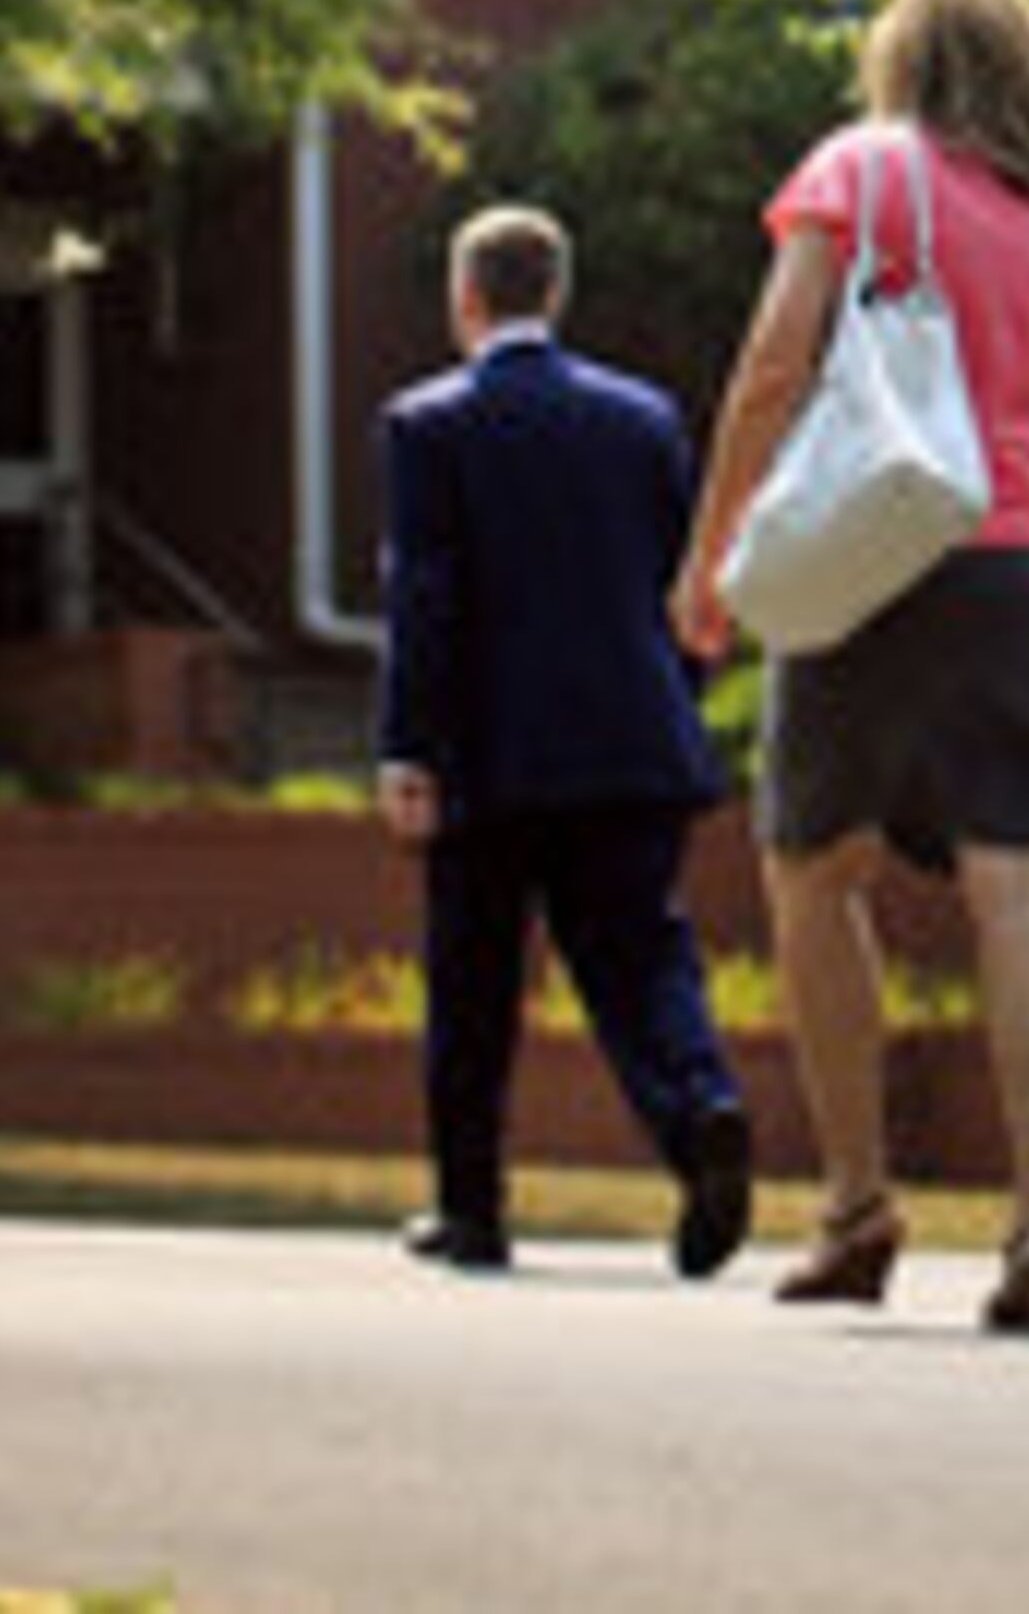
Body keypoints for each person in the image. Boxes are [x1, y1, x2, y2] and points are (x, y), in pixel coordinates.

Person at [673, 0, 1029, 1337]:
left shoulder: (862, 171)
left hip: (878, 545)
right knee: (1017, 877)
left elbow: (778, 364)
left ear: (903, 56)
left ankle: (857, 1205)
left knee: (812, 864)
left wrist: (709, 553)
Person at [374, 202, 753, 1284]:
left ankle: (472, 1211)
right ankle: (702, 1113)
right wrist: (673, 700)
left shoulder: (426, 423)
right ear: (558, 294)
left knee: (474, 981)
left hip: (489, 753)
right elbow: (685, 589)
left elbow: (425, 595)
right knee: (642, 957)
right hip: (630, 741)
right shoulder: (643, 420)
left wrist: (409, 749)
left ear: (466, 297)